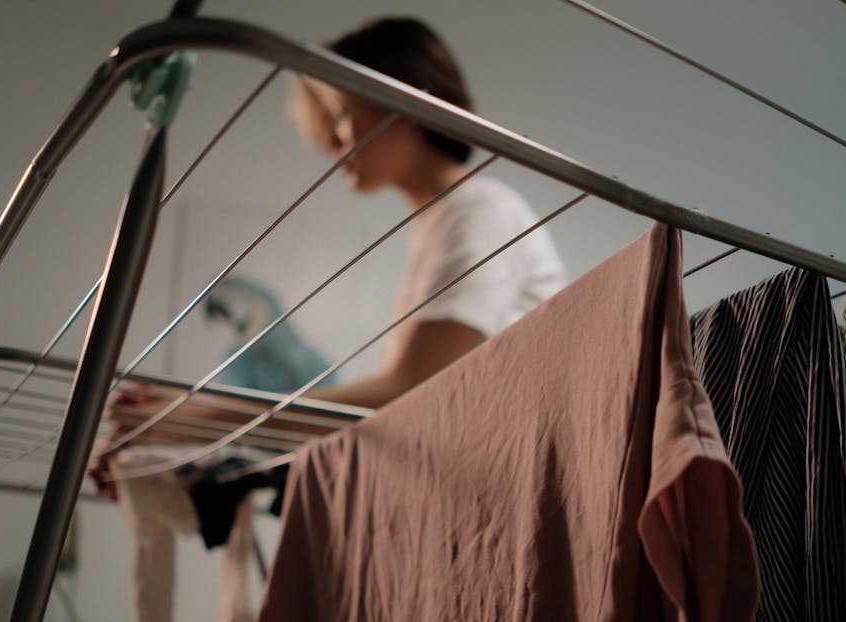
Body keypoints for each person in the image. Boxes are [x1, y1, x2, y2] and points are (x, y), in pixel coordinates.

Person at [91, 16, 566, 491]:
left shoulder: (477, 211)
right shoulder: (442, 225)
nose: (333, 141)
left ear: (402, 95)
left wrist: (198, 417)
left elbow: (408, 393)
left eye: (341, 113)